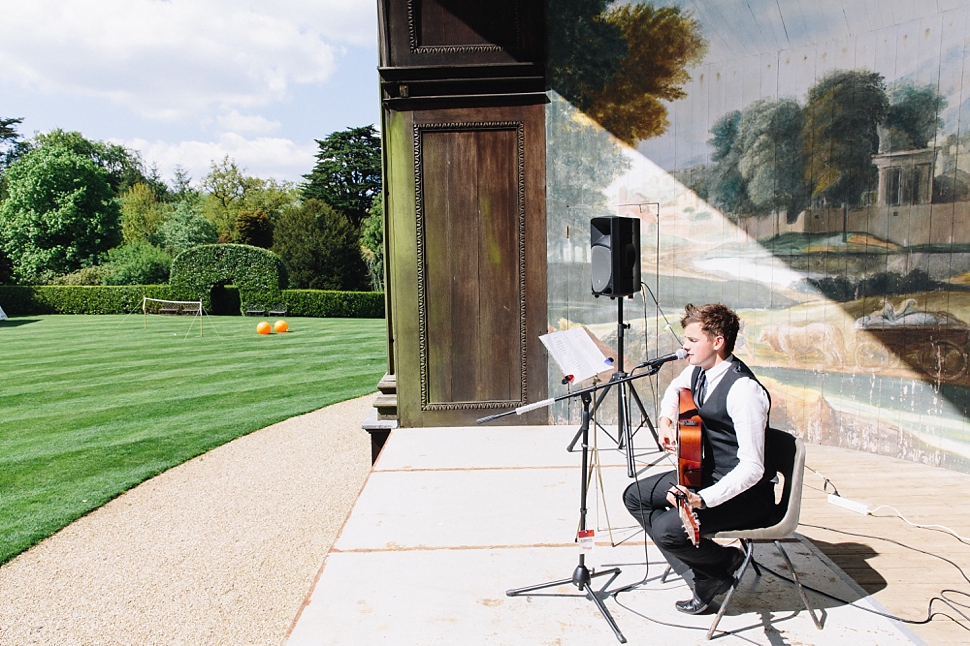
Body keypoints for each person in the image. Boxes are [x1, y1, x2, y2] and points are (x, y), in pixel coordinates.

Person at [623, 303, 774, 614]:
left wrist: (701, 500)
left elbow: (752, 468)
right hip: (707, 473)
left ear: (717, 341)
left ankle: (720, 564)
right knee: (635, 496)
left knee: (667, 529)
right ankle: (708, 573)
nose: (684, 347)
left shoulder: (744, 391)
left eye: (692, 340)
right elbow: (675, 389)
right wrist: (666, 420)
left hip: (743, 493)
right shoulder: (700, 371)